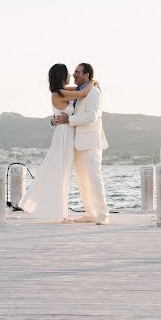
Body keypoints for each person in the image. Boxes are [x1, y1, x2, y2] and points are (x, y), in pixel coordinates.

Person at [17, 64, 97, 223]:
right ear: (61, 76)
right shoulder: (58, 93)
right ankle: (60, 214)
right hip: (64, 135)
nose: (70, 76)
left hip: (67, 133)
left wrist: (90, 83)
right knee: (61, 173)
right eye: (67, 74)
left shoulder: (64, 91)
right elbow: (81, 92)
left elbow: (80, 89)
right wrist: (93, 81)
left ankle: (61, 213)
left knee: (64, 173)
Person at [52, 63, 110, 225]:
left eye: (77, 72)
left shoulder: (94, 92)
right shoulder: (79, 91)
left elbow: (91, 116)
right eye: (74, 72)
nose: (74, 74)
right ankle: (90, 213)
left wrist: (69, 120)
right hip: (77, 142)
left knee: (94, 178)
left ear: (86, 75)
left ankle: (103, 214)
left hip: (90, 141)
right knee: (82, 180)